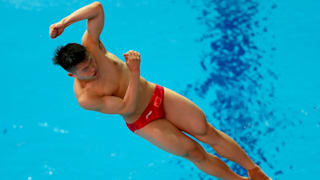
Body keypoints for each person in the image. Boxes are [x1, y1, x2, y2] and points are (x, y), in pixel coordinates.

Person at [49, 2, 272, 180]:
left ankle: (254, 170)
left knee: (205, 130)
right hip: (144, 121)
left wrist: (64, 22)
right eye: (85, 70)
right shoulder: (86, 97)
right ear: (72, 75)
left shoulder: (91, 44)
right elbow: (127, 106)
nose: (92, 69)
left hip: (157, 95)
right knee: (193, 152)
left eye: (90, 62)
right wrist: (134, 73)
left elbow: (96, 8)